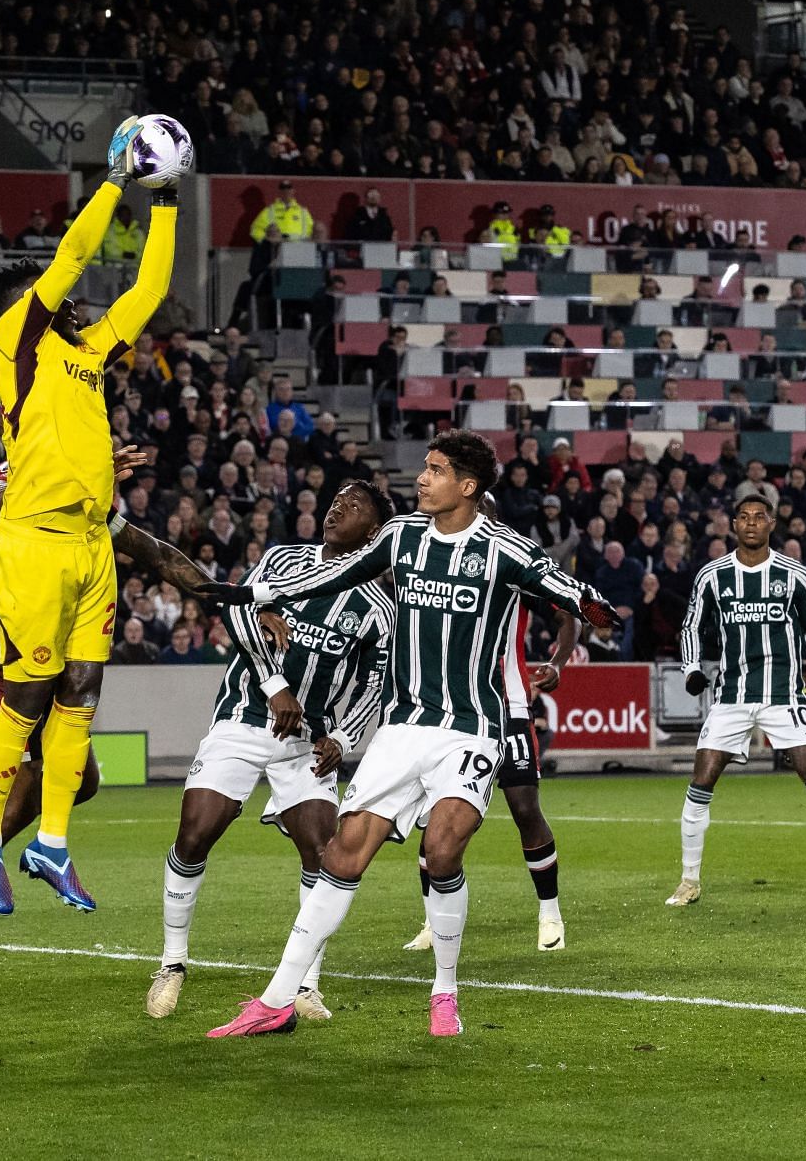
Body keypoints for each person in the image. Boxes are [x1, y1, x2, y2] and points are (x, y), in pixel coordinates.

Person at [200, 431, 617, 1039]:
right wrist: (250, 593)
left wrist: (589, 602)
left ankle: (444, 990)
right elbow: (329, 579)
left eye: (436, 470)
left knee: (442, 849)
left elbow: (560, 587)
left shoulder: (506, 550)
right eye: (424, 468)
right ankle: (276, 1000)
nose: (421, 478)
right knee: (343, 855)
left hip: (471, 730)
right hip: (402, 728)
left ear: (467, 486)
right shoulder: (400, 538)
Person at [0, 450, 198, 997]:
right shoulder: (35, 456)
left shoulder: (94, 483)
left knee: (85, 780)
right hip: (4, 649)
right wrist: (63, 472)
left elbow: (142, 545)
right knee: (22, 794)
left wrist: (227, 592)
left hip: (56, 647)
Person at [0, 124, 179, 916]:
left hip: (94, 543)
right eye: (54, 297)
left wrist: (165, 202)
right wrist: (118, 179)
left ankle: (51, 844)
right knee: (27, 698)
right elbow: (71, 260)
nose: (75, 300)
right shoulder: (14, 338)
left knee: (82, 689)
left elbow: (148, 294)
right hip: (34, 544)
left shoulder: (86, 351)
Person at [145, 481, 394, 1022]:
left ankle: (306, 983)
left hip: (307, 741)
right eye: (335, 502)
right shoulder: (283, 559)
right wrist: (273, 684)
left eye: (351, 508)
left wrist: (344, 737)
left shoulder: (378, 608)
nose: (335, 510)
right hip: (244, 717)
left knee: (324, 852)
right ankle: (172, 963)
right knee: (195, 832)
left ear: (372, 532)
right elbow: (236, 614)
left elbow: (373, 684)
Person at [670, 495, 806, 909]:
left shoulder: (796, 574)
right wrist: (692, 669)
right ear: (734, 524)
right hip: (731, 696)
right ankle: (688, 880)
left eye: (759, 517)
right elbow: (691, 625)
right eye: (744, 517)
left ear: (771, 523)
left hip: (784, 695)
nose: (751, 523)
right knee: (701, 782)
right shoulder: (712, 576)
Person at [403, 492, 579, 953]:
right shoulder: (429, 565)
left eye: (485, 512)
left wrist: (558, 662)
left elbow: (568, 616)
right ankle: (429, 921)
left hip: (508, 707)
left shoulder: (514, 567)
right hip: (450, 714)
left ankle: (550, 915)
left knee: (525, 809)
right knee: (436, 818)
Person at [248, 179, 316, 241]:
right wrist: (267, 242)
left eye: (289, 188)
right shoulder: (269, 211)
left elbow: (313, 230)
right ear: (279, 192)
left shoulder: (303, 211)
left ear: (293, 191)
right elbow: (255, 229)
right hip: (278, 248)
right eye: (283, 189)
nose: (286, 191)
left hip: (299, 248)